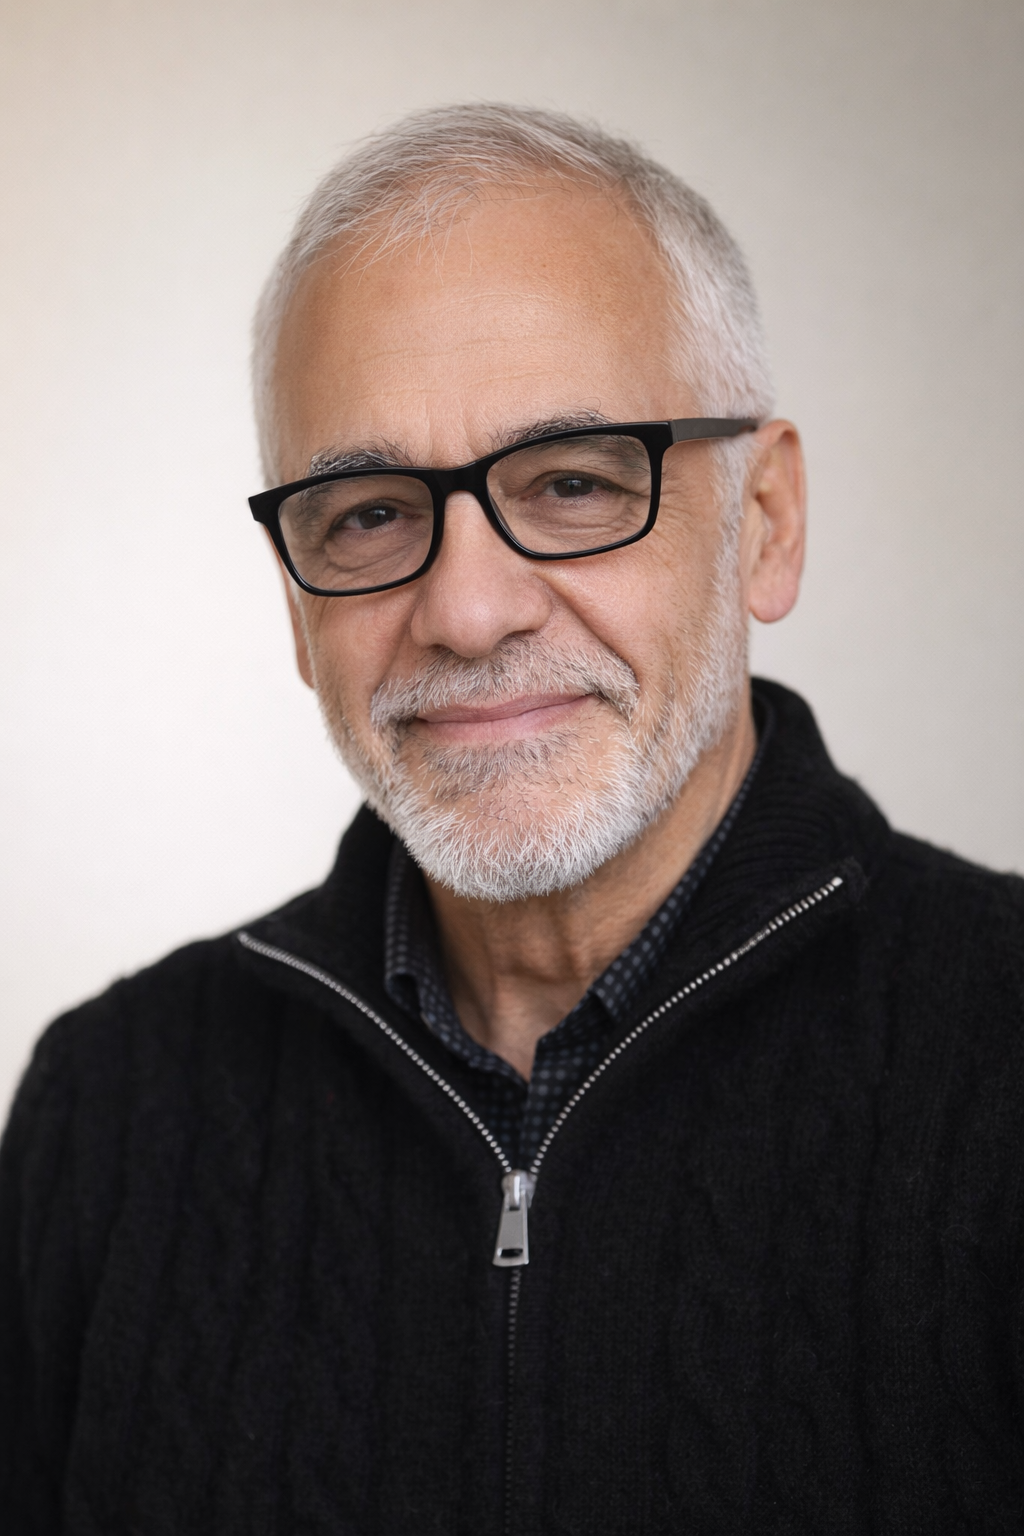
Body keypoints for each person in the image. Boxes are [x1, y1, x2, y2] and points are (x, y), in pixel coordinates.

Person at [2, 103, 1022, 1535]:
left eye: (573, 482)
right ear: (296, 607)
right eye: (366, 513)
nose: (470, 611)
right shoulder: (102, 1115)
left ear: (767, 522)